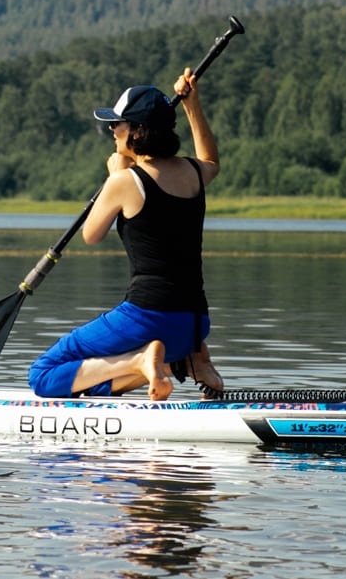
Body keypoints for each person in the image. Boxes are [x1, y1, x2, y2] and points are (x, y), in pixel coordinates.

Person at [28, 68, 224, 401]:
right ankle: (188, 361)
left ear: (136, 132)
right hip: (193, 324)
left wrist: (115, 175)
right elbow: (211, 160)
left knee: (43, 375)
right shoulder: (192, 171)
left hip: (147, 318)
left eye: (116, 124)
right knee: (99, 375)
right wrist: (193, 106)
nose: (111, 131)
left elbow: (91, 234)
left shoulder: (125, 181)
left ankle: (142, 360)